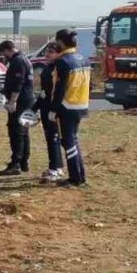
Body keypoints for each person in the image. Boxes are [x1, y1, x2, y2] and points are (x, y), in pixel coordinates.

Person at [49, 28, 91, 187]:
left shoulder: (63, 61)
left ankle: (75, 178)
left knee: (68, 142)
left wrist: (53, 109)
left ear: (60, 42)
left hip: (67, 105)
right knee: (73, 141)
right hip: (81, 104)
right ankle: (80, 175)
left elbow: (60, 88)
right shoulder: (84, 59)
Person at [0, 40, 35, 175]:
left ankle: (16, 163)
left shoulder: (17, 61)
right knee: (24, 131)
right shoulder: (25, 59)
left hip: (20, 101)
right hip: (27, 99)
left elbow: (18, 83)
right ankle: (24, 161)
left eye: (3, 53)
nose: (4, 56)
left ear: (7, 50)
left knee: (16, 132)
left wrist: (12, 101)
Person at [34, 41, 66, 184]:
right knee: (51, 138)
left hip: (53, 108)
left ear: (59, 53)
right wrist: (34, 108)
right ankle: (57, 166)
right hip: (45, 106)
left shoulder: (58, 68)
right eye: (47, 51)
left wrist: (54, 109)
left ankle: (55, 169)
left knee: (53, 138)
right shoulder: (49, 67)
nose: (48, 53)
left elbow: (58, 91)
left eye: (51, 51)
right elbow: (44, 91)